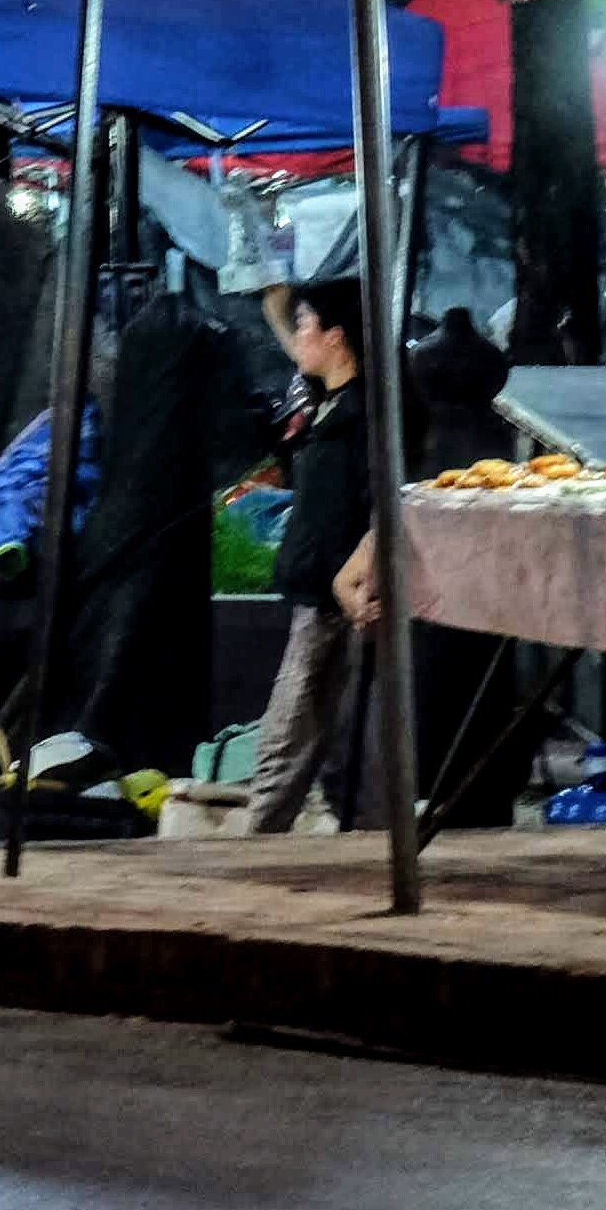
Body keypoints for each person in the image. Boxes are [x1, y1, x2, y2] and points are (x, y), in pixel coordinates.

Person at [243, 278, 373, 832]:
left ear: (337, 338)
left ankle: (252, 857)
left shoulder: (365, 417)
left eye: (306, 325)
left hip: (334, 604)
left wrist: (353, 574)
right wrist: (281, 297)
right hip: (317, 600)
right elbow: (290, 330)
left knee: (285, 750)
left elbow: (394, 505)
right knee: (312, 749)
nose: (297, 337)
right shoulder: (327, 403)